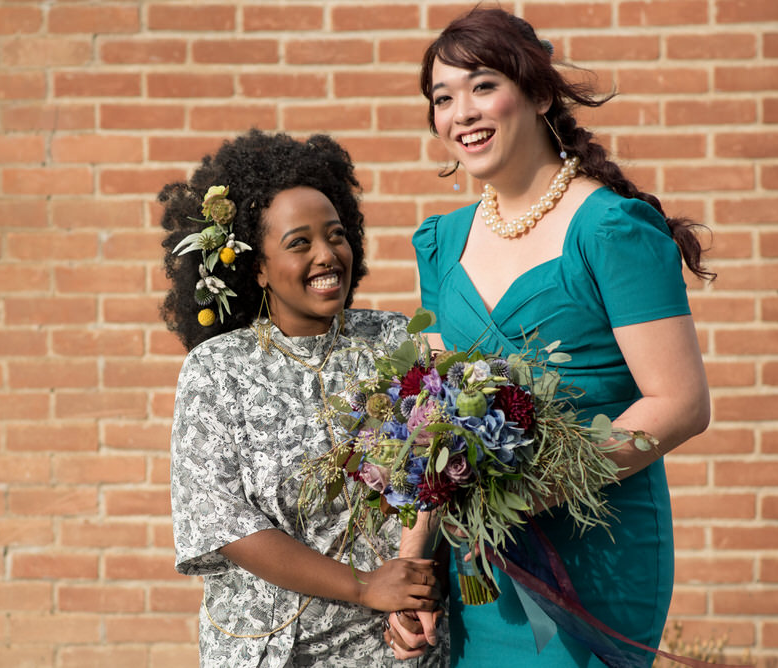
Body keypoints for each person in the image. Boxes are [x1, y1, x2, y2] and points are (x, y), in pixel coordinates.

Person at [391, 7, 713, 666]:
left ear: (538, 94)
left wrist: (523, 493)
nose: (461, 113)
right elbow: (431, 423)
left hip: (598, 554)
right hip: (480, 566)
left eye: (483, 86)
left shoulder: (612, 230)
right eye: (442, 98)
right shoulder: (439, 243)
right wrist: (410, 575)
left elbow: (681, 404)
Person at [162, 129, 447, 667]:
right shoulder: (217, 370)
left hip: (389, 645)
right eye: (299, 242)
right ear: (257, 268)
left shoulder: (392, 341)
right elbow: (224, 521)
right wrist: (365, 586)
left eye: (336, 235)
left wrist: (410, 592)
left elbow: (434, 469)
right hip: (266, 651)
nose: (327, 254)